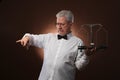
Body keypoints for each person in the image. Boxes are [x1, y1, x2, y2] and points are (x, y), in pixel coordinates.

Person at [16, 10, 89, 80]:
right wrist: (27, 37)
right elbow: (33, 38)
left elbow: (80, 66)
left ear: (70, 24)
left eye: (62, 24)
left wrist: (86, 55)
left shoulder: (78, 43)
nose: (59, 27)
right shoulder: (49, 38)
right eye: (57, 24)